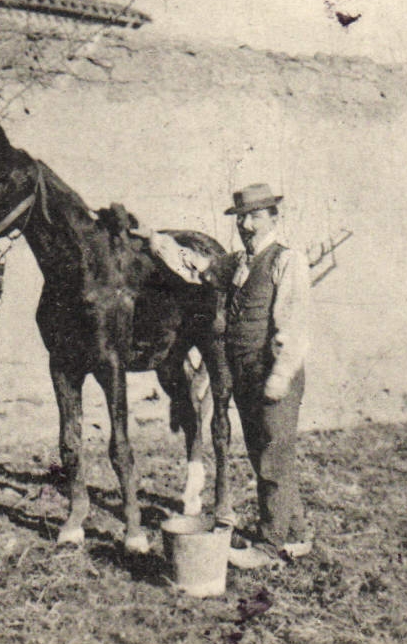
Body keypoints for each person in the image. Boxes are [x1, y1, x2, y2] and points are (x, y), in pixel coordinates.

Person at [133, 183, 312, 570]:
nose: (247, 225)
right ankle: (296, 535)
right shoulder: (237, 263)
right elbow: (197, 267)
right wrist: (156, 241)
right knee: (265, 452)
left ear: (273, 218)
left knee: (271, 457)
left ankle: (268, 546)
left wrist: (279, 377)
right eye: (242, 218)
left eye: (256, 216)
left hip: (272, 371)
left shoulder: (286, 260)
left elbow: (293, 326)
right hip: (245, 372)